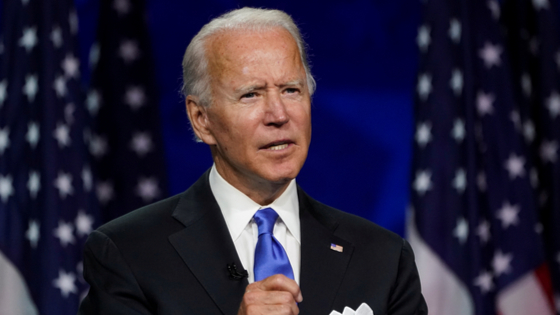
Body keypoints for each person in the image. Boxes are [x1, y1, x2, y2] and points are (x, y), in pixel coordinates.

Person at [78, 7, 427, 315]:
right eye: (251, 95)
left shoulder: (383, 259)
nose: (279, 114)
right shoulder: (128, 253)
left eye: (291, 89)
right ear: (202, 119)